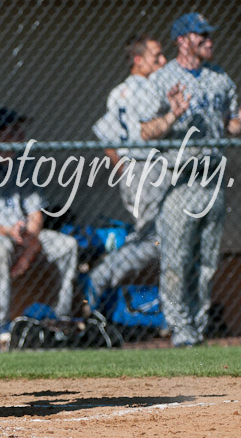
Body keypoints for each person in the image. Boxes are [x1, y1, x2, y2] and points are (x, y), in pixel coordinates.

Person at [141, 12, 241, 347]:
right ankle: (180, 327)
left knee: (207, 261)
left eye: (210, 34)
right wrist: (173, 114)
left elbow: (229, 126)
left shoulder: (219, 78)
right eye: (201, 35)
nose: (209, 40)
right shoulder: (162, 79)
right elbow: (147, 130)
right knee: (176, 259)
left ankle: (198, 326)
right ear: (181, 40)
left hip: (213, 179)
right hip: (180, 180)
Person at [0, 108, 79, 339]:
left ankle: (60, 319)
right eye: (13, 130)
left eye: (20, 129)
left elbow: (36, 215)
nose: (20, 134)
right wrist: (7, 232)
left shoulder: (26, 163)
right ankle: (0, 325)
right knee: (1, 248)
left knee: (68, 246)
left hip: (24, 235)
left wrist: (28, 246)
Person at [90, 35, 168, 295]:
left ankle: (106, 277)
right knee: (155, 239)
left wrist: (122, 167)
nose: (163, 61)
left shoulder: (118, 91)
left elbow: (106, 136)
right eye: (156, 56)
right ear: (138, 60)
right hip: (145, 166)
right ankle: (100, 278)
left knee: (155, 236)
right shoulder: (148, 89)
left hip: (135, 167)